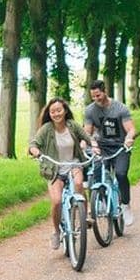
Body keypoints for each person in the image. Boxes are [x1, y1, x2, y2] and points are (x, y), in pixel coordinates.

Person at [29, 97, 92, 249]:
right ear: (49, 114)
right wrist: (35, 151)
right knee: (57, 201)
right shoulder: (46, 129)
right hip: (54, 168)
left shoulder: (72, 125)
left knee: (78, 184)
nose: (56, 114)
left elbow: (86, 136)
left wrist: (94, 145)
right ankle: (57, 231)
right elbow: (33, 144)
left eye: (59, 110)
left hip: (73, 164)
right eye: (52, 111)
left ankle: (84, 215)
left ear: (64, 111)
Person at [83, 79, 136, 225]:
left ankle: (125, 205)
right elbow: (87, 132)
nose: (96, 99)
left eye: (98, 95)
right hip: (102, 147)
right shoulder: (89, 110)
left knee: (120, 174)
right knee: (96, 172)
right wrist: (90, 143)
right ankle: (100, 202)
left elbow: (130, 129)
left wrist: (129, 139)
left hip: (120, 147)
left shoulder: (120, 108)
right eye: (93, 96)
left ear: (105, 91)